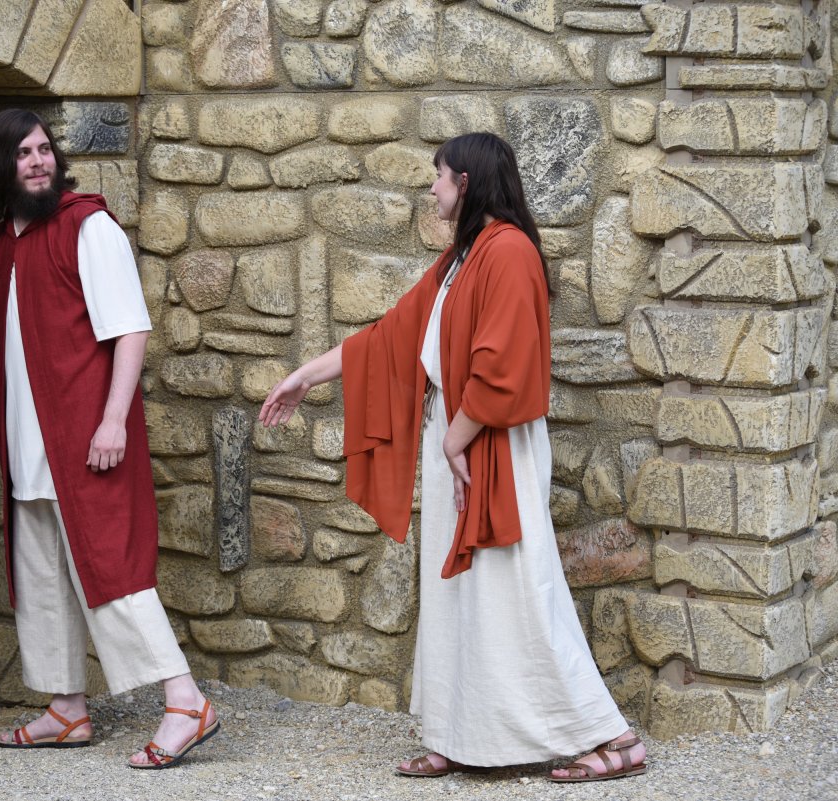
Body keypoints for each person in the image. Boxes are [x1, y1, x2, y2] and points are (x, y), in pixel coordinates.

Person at [259, 132, 647, 783]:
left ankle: (613, 736)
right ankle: (460, 734)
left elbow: (505, 365)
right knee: (458, 595)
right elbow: (390, 336)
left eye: (438, 176)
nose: (431, 188)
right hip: (461, 439)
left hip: (490, 443)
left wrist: (455, 436)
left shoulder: (509, 252)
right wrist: (305, 376)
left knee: (518, 589)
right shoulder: (462, 258)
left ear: (465, 181)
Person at [0, 109, 218, 769]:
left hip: (87, 441)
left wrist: (113, 420)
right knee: (41, 575)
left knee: (111, 567)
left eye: (44, 149)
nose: (39, 161)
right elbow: (0, 354)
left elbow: (131, 329)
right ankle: (67, 708)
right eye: (23, 153)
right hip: (27, 448)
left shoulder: (88, 227)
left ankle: (186, 702)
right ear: (0, 167)